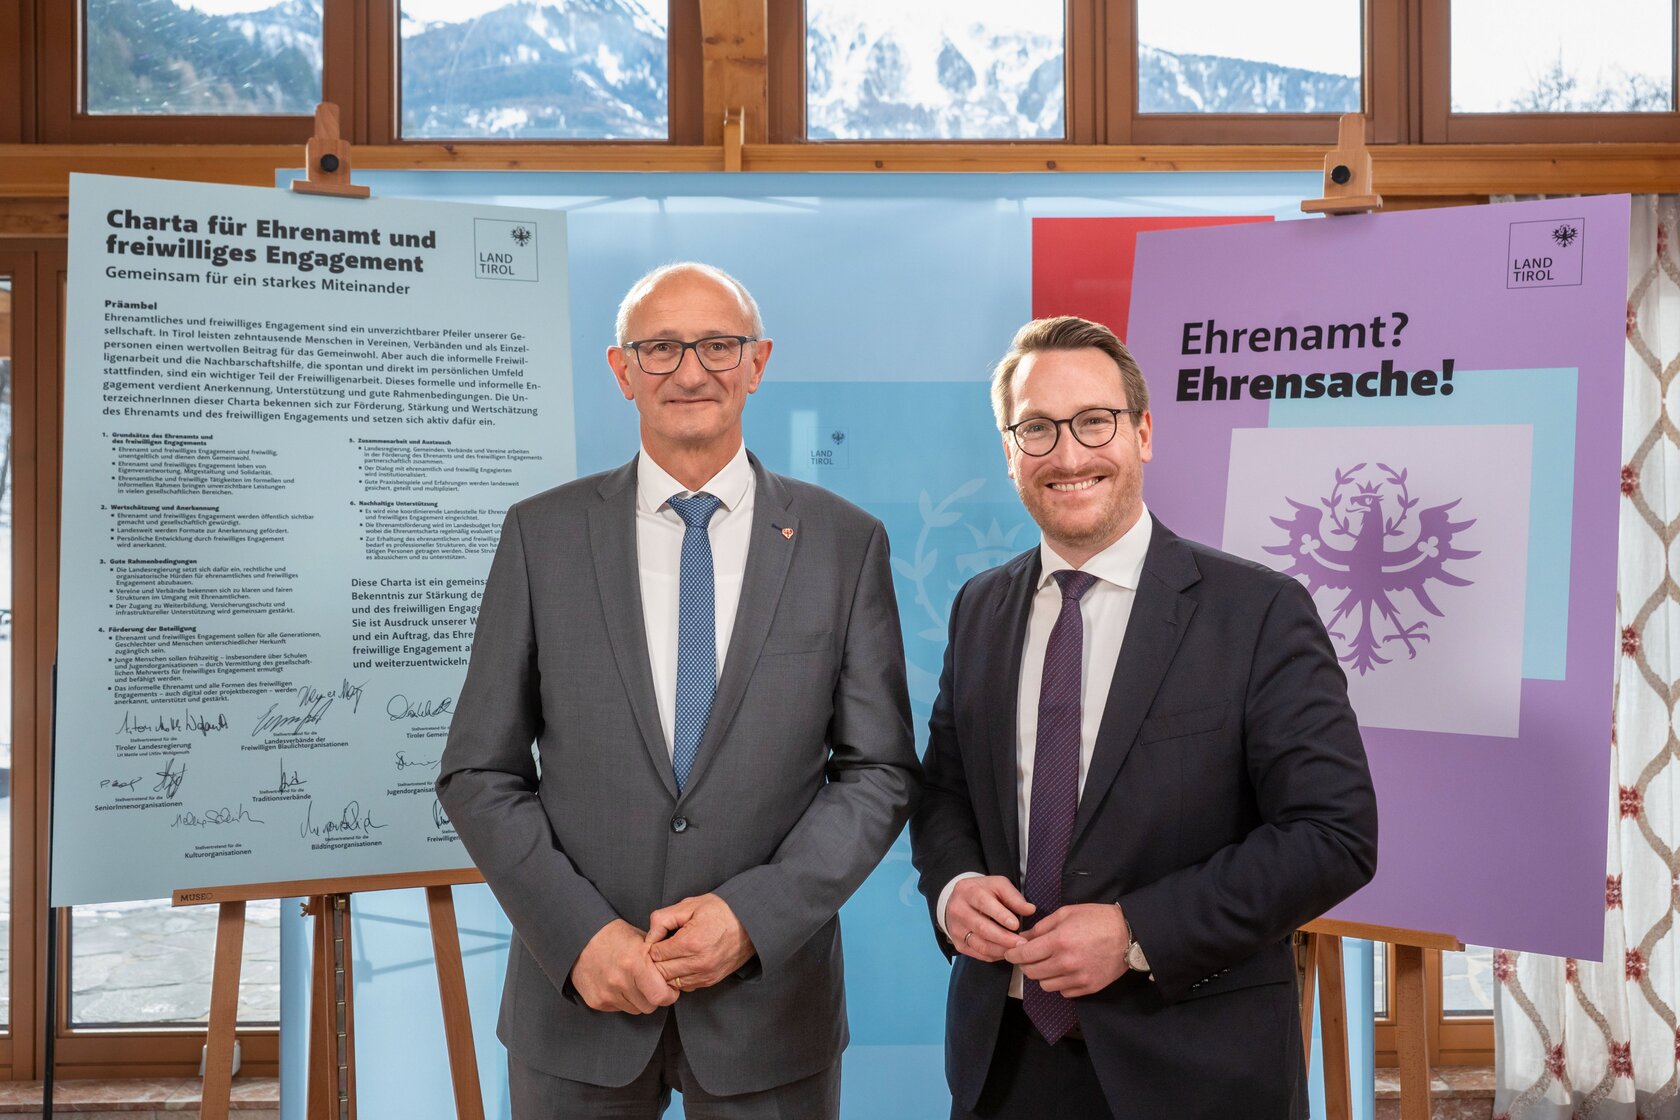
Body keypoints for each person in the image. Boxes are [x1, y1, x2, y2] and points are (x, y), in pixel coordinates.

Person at [438, 262, 920, 1119]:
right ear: (622, 370)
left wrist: (753, 918)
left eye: (717, 346)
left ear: (757, 362)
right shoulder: (541, 536)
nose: (690, 371)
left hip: (771, 1011)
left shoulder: (845, 544)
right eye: (660, 348)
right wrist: (579, 936)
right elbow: (479, 771)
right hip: (577, 1007)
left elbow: (877, 772)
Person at [910, 315, 1378, 1120]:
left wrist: (1136, 932)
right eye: (1036, 429)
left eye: (1094, 422)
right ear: (1010, 450)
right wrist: (953, 887)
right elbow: (946, 792)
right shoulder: (979, 608)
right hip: (1004, 1063)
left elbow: (1333, 835)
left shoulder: (1258, 611)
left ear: (1143, 433)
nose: (1068, 455)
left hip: (1196, 1066)